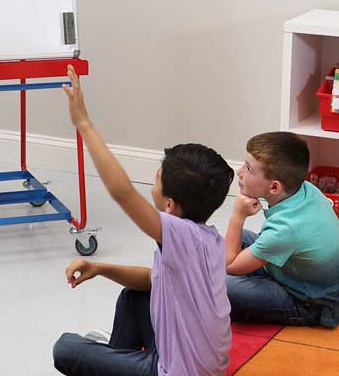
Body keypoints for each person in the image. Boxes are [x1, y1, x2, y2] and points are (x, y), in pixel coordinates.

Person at [52, 66, 234, 376]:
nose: (152, 183)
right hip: (203, 366)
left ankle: (113, 361)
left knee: (65, 348)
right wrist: (102, 268)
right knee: (134, 295)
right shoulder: (209, 238)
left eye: (156, 179)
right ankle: (115, 358)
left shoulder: (176, 233)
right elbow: (155, 280)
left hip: (173, 372)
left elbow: (121, 191)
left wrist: (83, 123)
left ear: (169, 205)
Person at [225, 132, 339, 327]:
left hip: (307, 302)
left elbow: (230, 266)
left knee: (221, 286)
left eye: (249, 169)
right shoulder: (306, 189)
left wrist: (238, 215)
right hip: (291, 270)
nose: (240, 171)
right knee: (239, 239)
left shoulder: (285, 230)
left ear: (275, 187)